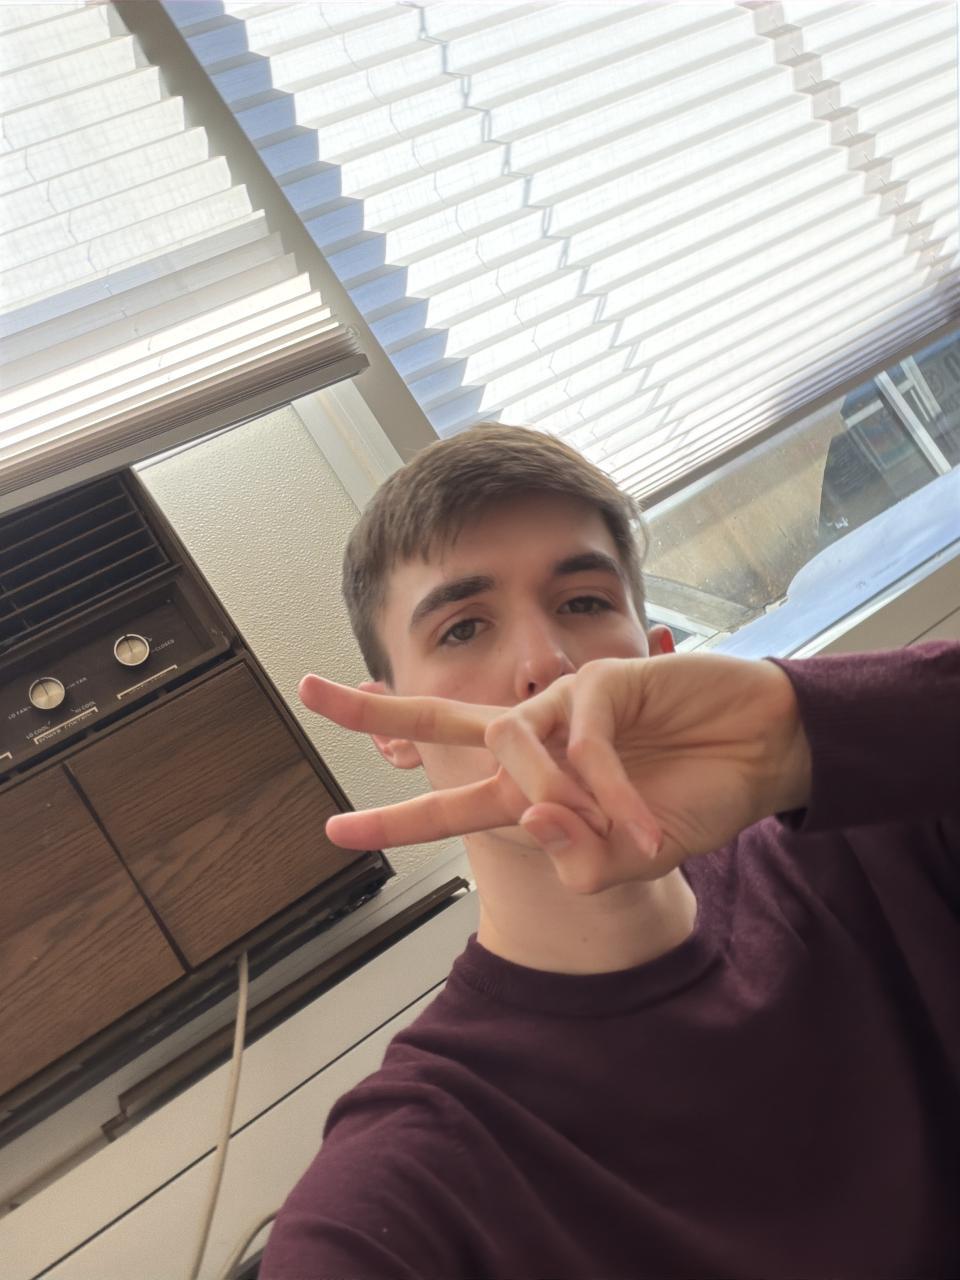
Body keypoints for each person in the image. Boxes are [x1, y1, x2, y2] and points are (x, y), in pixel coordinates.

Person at [261, 425, 959, 1280]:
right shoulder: (412, 1182)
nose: (546, 664)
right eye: (463, 628)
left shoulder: (879, 843)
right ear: (392, 730)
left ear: (656, 657)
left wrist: (796, 735)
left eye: (584, 604)